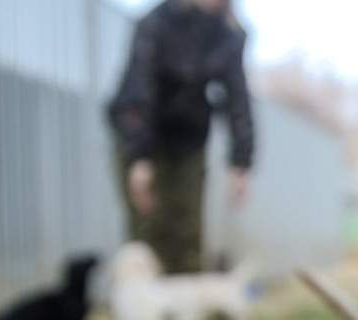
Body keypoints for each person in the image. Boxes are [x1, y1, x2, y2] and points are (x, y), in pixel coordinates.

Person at [108, 0, 254, 274]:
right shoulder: (159, 22)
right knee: (147, 232)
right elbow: (138, 90)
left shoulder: (227, 34)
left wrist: (241, 163)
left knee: (187, 234)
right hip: (143, 136)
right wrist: (139, 158)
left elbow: (238, 99)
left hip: (188, 142)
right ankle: (144, 312)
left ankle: (186, 311)